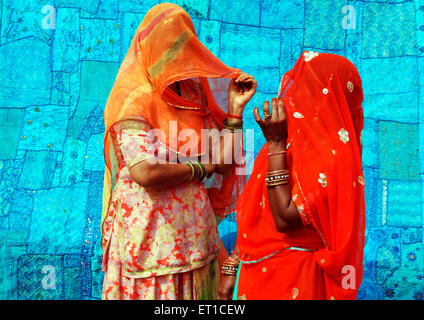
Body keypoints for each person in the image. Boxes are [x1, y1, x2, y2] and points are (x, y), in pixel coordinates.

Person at [101, 3, 256, 300]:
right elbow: (144, 171)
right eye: (167, 47)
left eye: (181, 46)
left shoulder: (192, 93)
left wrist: (235, 112)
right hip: (149, 245)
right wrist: (201, 167)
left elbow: (222, 164)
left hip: (196, 241)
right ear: (148, 47)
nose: (173, 56)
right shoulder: (132, 98)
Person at [219, 51, 365, 300]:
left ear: (328, 96)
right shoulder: (290, 143)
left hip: (294, 280)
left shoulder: (332, 157)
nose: (296, 95)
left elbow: (286, 219)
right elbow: (255, 210)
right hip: (256, 275)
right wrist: (232, 266)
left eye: (309, 86)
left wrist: (275, 143)